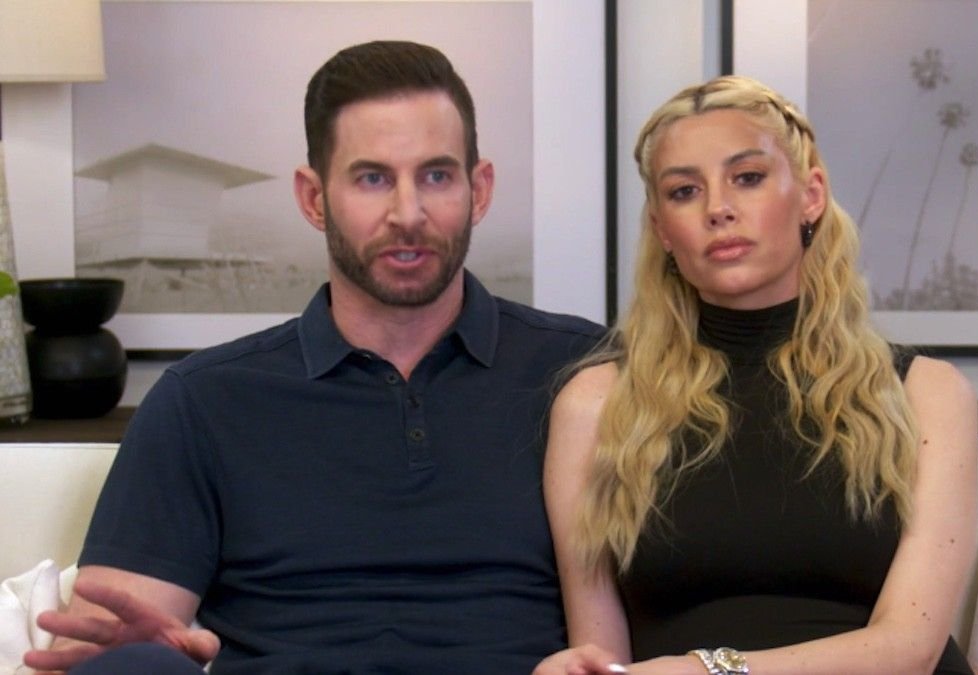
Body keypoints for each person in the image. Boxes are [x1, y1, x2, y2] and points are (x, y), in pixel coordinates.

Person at [24, 40, 603, 674]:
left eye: (436, 176)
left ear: (479, 189)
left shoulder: (586, 373)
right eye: (372, 178)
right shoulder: (204, 400)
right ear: (313, 198)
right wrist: (140, 652)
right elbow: (102, 642)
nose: (407, 213)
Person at [534, 75, 978, 675]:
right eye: (685, 191)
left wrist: (707, 672)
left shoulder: (926, 392)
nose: (718, 208)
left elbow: (911, 649)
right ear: (663, 229)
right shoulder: (595, 404)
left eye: (747, 178)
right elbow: (601, 653)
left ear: (810, 196)